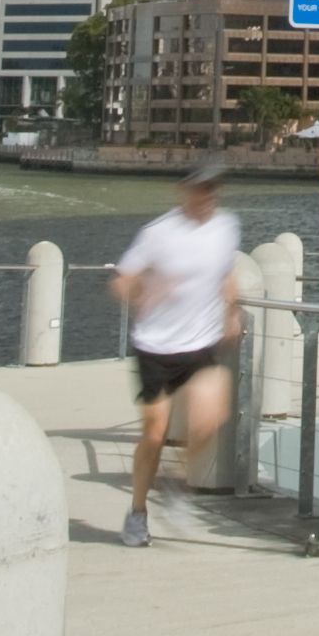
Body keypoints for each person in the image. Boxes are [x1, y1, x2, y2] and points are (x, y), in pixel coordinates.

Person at [110, 158, 243, 546]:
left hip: (200, 343)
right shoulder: (158, 233)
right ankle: (138, 511)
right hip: (154, 345)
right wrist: (143, 293)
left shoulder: (226, 227)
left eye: (213, 189)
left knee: (210, 418)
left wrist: (230, 311)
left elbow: (226, 272)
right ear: (183, 191)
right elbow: (121, 282)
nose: (207, 197)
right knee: (154, 433)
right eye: (200, 189)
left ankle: (175, 486)